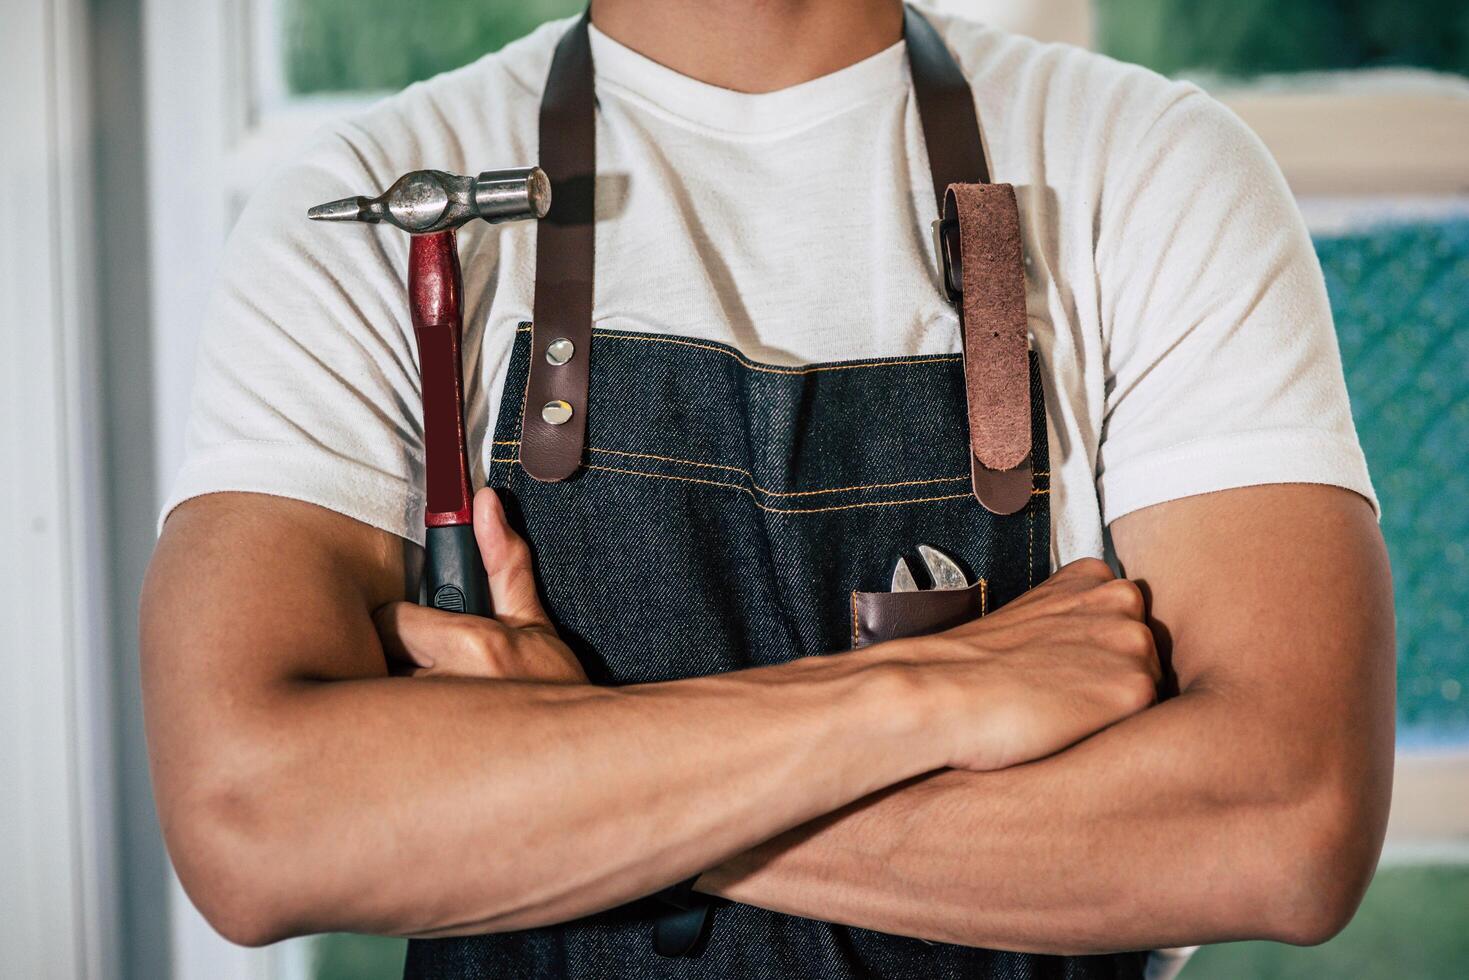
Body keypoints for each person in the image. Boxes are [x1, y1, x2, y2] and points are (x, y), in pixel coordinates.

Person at [140, 1, 1394, 977]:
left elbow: (1284, 820)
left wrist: (566, 763)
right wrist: (907, 700)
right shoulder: (360, 207)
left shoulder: (1156, 172)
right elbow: (255, 822)